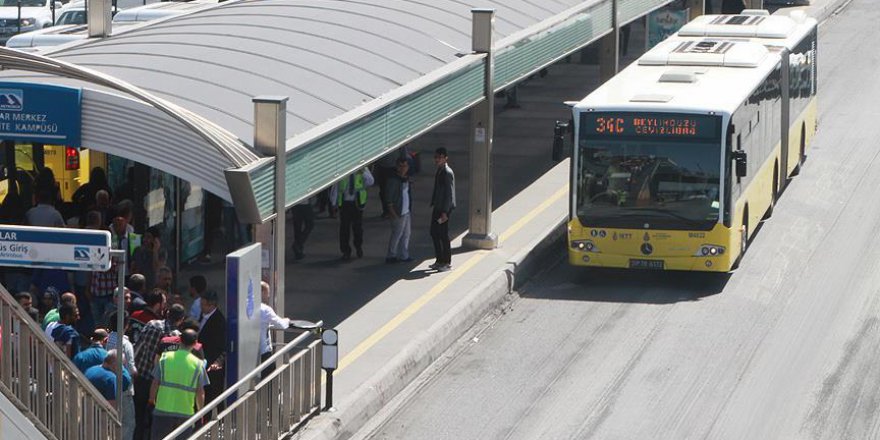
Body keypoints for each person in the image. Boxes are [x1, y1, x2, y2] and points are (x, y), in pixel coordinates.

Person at [132, 303, 184, 440]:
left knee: (138, 418)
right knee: (153, 421)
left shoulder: (151, 325)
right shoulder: (177, 339)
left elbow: (137, 347)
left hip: (141, 378)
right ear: (181, 320)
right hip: (160, 386)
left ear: (167, 313)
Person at [149, 329, 208, 439]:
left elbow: (155, 383)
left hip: (162, 410)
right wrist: (200, 413)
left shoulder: (165, 358)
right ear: (195, 344)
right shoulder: (198, 365)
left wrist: (151, 401)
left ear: (179, 340)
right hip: (185, 413)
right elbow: (200, 392)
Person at [330, 167, 374, 260]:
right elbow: (336, 186)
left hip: (357, 203)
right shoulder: (341, 169)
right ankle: (346, 251)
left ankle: (358, 246)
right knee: (344, 229)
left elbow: (371, 181)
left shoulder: (362, 168)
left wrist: (362, 172)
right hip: (345, 203)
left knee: (357, 228)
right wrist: (333, 203)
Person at [429, 147, 456, 272]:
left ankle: (446, 261)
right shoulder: (440, 170)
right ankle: (439, 260)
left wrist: (445, 211)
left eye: (440, 157)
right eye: (436, 157)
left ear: (445, 158)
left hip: (443, 209)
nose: (437, 160)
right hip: (438, 207)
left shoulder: (447, 172)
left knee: (443, 234)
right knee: (434, 233)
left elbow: (449, 194)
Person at [197, 290, 226, 405]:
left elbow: (219, 345)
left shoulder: (218, 320)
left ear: (211, 305)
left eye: (203, 305)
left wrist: (215, 362)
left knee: (212, 395)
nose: (201, 307)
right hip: (202, 361)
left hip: (212, 365)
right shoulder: (203, 316)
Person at [384, 158, 414, 263]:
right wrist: (392, 212)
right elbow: (388, 199)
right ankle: (391, 255)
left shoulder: (406, 179)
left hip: (406, 211)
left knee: (406, 234)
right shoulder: (393, 180)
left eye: (405, 166)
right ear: (397, 167)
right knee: (397, 234)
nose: (403, 168)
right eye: (401, 166)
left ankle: (404, 255)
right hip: (398, 212)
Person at [258, 281, 290, 366]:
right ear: (261, 292)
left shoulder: (246, 306)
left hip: (248, 351)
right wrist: (287, 320)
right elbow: (281, 324)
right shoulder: (265, 310)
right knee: (268, 375)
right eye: (267, 292)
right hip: (263, 351)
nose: (268, 296)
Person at [131, 226, 165, 292]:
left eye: (148, 237)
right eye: (145, 237)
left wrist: (155, 251)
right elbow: (133, 267)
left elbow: (156, 268)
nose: (145, 240)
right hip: (139, 285)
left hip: (153, 286)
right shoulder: (138, 250)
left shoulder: (161, 252)